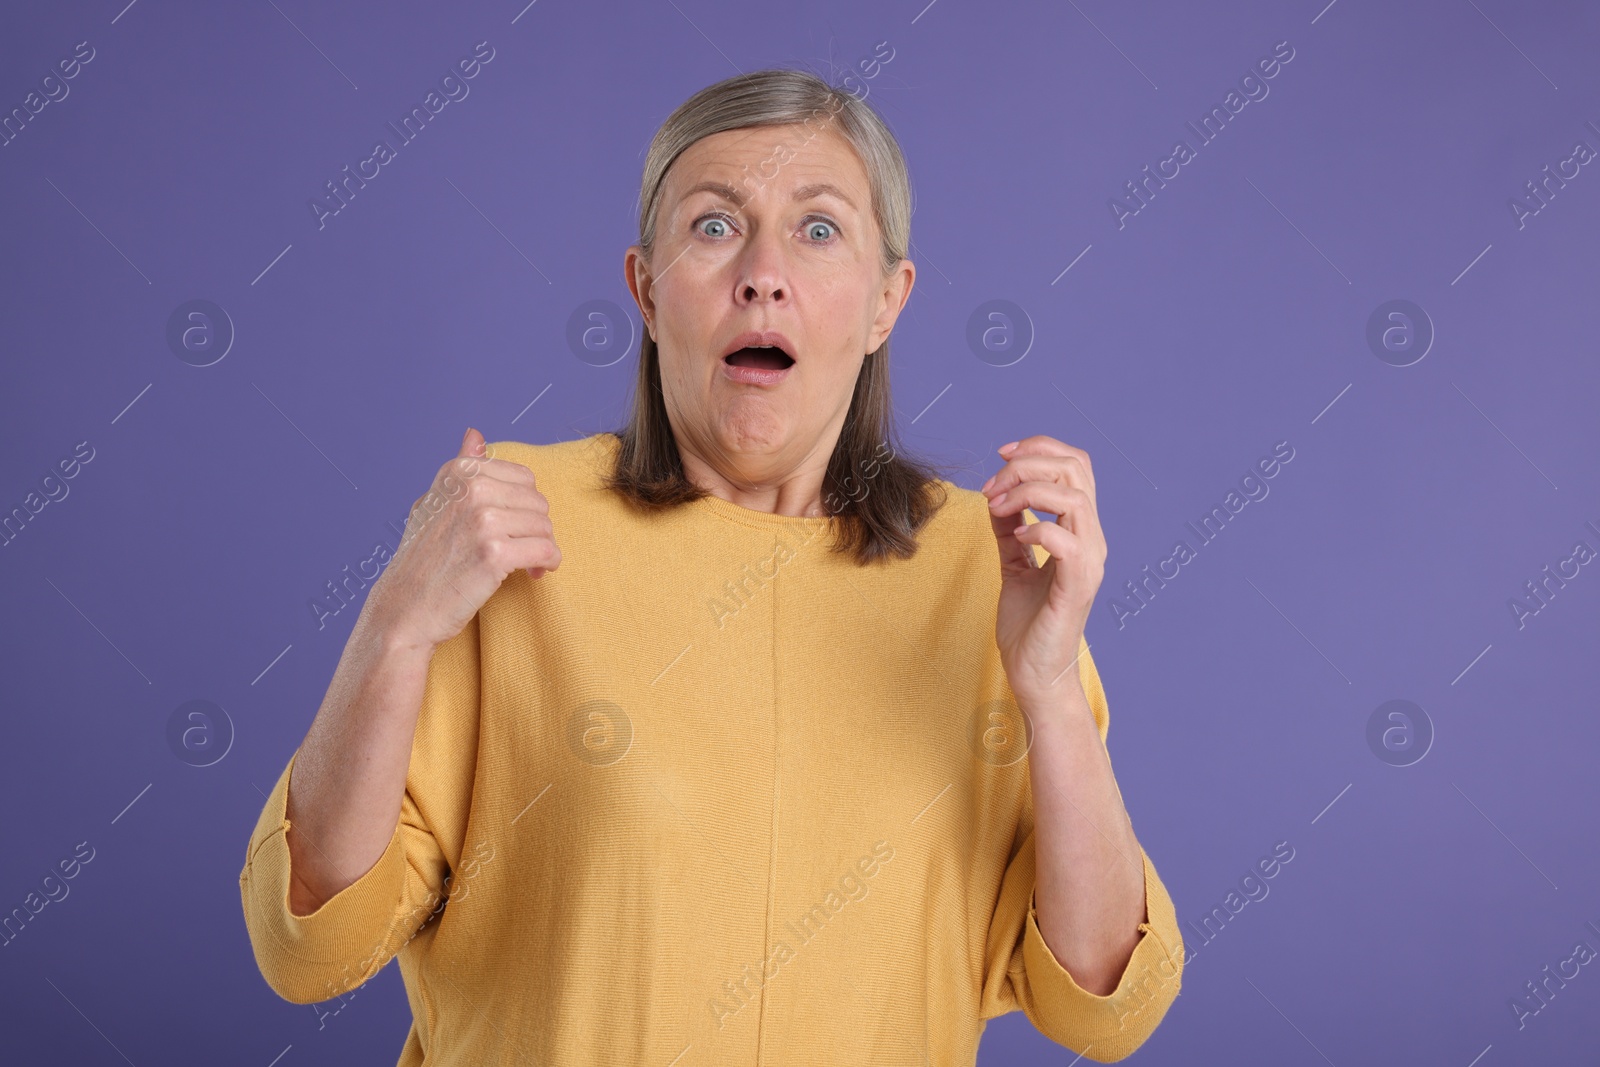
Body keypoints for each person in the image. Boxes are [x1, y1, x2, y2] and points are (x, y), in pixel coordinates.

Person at [239, 67, 1183, 1065]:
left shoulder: (986, 569)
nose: (762, 272)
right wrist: (392, 626)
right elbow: (311, 944)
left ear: (884, 303)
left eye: (818, 229)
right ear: (646, 289)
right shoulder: (508, 524)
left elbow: (1102, 1002)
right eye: (715, 225)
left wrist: (1045, 683)